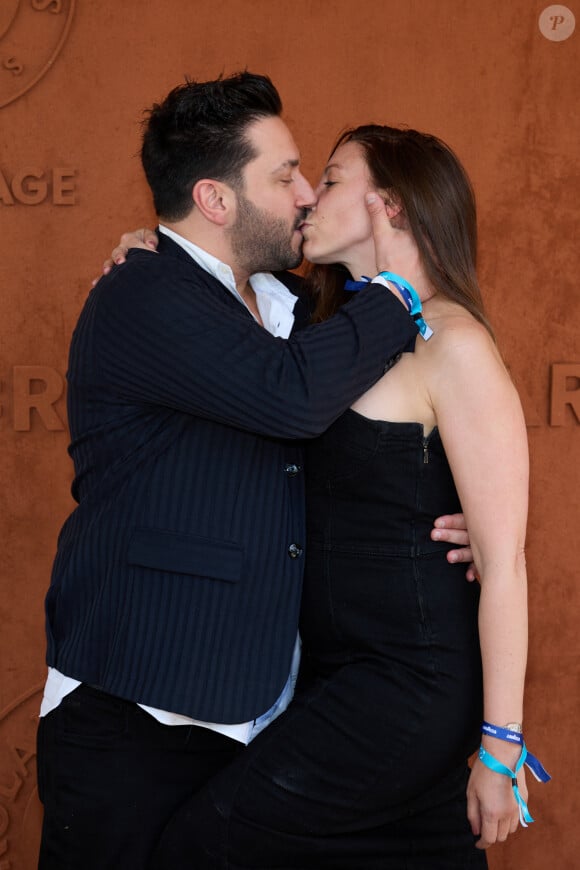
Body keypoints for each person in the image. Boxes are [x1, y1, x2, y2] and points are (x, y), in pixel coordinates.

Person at [37, 74, 473, 870]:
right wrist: (404, 284)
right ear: (215, 198)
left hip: (263, 715)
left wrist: (453, 513)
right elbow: (294, 397)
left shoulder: (293, 308)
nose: (306, 194)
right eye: (285, 175)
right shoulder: (143, 295)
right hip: (139, 712)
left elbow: (362, 438)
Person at [140, 124, 548, 869]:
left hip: (407, 685)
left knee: (206, 845)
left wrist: (501, 745)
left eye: (329, 179)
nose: (307, 197)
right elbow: (220, 291)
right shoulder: (329, 330)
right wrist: (151, 252)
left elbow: (506, 564)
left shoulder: (454, 344)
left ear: (388, 205)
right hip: (329, 676)